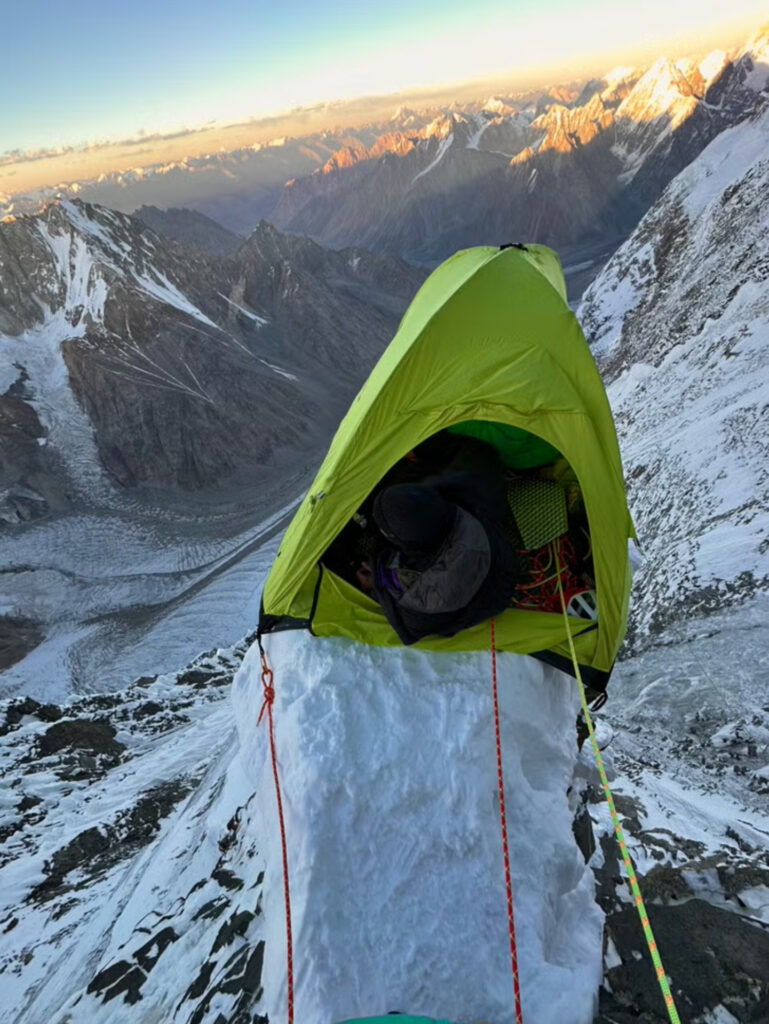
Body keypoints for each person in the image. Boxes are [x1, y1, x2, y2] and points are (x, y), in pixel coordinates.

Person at [369, 440, 520, 645]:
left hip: (486, 599)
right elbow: (480, 455)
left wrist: (375, 582)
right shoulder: (471, 512)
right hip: (501, 571)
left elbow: (407, 627)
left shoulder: (421, 603)